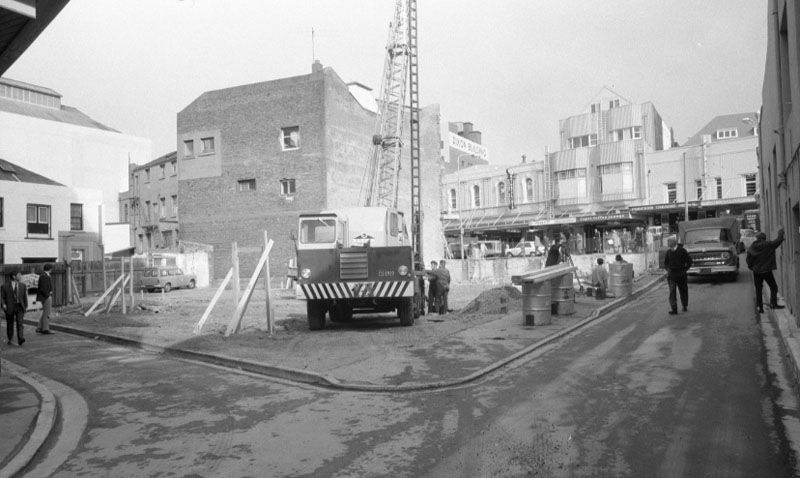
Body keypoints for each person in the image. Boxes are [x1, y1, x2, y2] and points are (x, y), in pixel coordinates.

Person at [746, 227, 786, 313]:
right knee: (773, 287)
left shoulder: (752, 246)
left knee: (758, 289)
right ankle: (773, 304)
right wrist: (781, 231)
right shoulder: (768, 245)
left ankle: (759, 308)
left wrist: (751, 267)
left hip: (756, 271)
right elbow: (778, 240)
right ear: (764, 238)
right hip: (766, 271)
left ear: (757, 238)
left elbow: (748, 258)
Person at [664, 237, 692, 315]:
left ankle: (684, 305)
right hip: (672, 275)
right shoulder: (668, 252)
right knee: (672, 291)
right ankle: (674, 309)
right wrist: (668, 269)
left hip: (681, 274)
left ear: (673, 242)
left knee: (683, 290)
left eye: (669, 242)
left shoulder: (682, 251)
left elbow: (689, 261)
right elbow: (666, 263)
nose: (667, 243)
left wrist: (685, 269)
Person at [2, 271, 28, 345]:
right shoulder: (5, 286)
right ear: (14, 276)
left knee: (20, 323)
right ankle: (10, 338)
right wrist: (3, 304)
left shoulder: (23, 286)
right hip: (9, 306)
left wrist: (25, 306)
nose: (21, 277)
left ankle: (20, 338)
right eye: (19, 275)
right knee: (10, 323)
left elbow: (24, 297)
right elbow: (2, 297)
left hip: (20, 306)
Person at [36, 263, 54, 334]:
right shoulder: (44, 276)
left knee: (45, 312)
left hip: (45, 295)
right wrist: (47, 295)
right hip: (45, 296)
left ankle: (40, 327)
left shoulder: (45, 275)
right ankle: (45, 328)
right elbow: (43, 288)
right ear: (50, 269)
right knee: (47, 312)